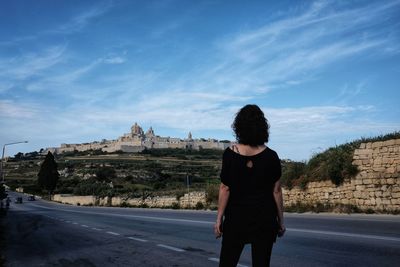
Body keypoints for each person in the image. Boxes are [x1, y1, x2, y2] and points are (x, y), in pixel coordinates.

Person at [214, 104, 285, 267]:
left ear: (239, 127)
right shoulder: (272, 156)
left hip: (236, 220)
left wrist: (219, 219)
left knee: (227, 263)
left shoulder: (230, 154)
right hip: (265, 220)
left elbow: (225, 188)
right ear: (262, 127)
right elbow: (277, 191)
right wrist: (281, 221)